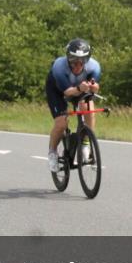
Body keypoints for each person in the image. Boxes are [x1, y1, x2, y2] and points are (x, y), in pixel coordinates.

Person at [46, 39, 101, 171]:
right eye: (73, 60)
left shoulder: (94, 67)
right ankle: (52, 153)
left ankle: (86, 143)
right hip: (57, 90)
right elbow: (68, 93)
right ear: (67, 57)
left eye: (82, 60)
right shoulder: (59, 67)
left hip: (79, 88)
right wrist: (80, 88)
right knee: (61, 124)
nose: (77, 64)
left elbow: (94, 87)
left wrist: (94, 88)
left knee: (88, 108)